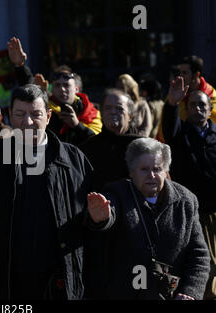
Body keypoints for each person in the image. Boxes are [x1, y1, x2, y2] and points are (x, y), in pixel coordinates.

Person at [0, 83, 93, 300]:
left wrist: (104, 219)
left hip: (58, 279)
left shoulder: (73, 159)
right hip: (7, 279)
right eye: (20, 114)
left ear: (47, 116)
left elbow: (92, 214)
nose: (27, 122)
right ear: (9, 115)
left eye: (35, 114)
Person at [85, 138, 210, 300]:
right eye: (144, 169)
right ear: (131, 172)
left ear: (166, 171)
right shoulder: (118, 193)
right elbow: (109, 214)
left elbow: (199, 255)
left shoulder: (186, 200)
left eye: (157, 169)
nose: (151, 175)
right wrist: (100, 219)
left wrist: (190, 292)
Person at [162, 76, 216, 299]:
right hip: (193, 212)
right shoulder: (179, 135)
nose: (197, 108)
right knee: (204, 262)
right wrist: (172, 103)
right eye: (192, 104)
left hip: (215, 209)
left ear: (210, 108)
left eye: (202, 104)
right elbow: (168, 126)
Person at [7, 37, 102, 145]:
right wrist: (20, 66)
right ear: (48, 116)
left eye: (66, 85)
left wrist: (76, 125)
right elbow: (28, 87)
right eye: (57, 85)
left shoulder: (91, 111)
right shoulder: (45, 107)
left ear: (76, 89)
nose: (62, 89)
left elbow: (98, 143)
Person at [79, 89, 141, 191]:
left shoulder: (144, 147)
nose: (113, 112)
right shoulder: (88, 148)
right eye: (108, 108)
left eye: (119, 108)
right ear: (102, 115)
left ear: (130, 116)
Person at [158, 55, 216, 141]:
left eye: (185, 73)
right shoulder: (174, 95)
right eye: (180, 72)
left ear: (197, 74)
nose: (181, 76)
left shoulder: (212, 95)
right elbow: (163, 130)